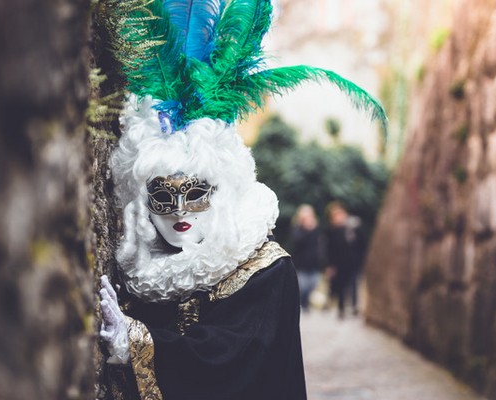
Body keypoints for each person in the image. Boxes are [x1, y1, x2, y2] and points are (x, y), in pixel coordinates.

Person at [99, 0, 385, 398]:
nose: (180, 209)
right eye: (163, 197)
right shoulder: (145, 274)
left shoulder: (266, 271)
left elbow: (236, 355)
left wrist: (137, 341)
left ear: (222, 188)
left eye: (196, 193)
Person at [324, 201, 366, 319]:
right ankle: (341, 308)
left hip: (354, 261)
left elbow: (362, 244)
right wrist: (330, 265)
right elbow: (329, 249)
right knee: (341, 285)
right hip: (339, 263)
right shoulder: (332, 230)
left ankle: (354, 306)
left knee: (353, 284)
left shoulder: (354, 226)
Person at [290, 204, 324, 311]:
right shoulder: (297, 229)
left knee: (313, 285)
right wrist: (307, 229)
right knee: (302, 287)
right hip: (301, 264)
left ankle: (306, 305)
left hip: (314, 263)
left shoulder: (316, 229)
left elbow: (319, 245)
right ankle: (301, 306)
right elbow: (297, 242)